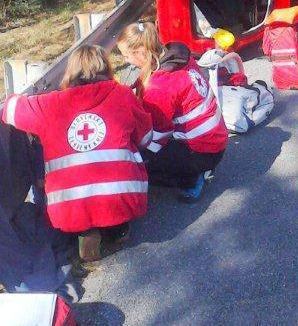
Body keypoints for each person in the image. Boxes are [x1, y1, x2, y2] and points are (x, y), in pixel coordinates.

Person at [1, 45, 153, 262]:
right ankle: (117, 230)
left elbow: (10, 109)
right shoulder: (122, 95)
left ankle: (85, 231)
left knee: (80, 208)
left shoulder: (50, 104)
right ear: (106, 68)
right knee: (120, 192)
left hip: (68, 207)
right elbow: (146, 138)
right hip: (121, 198)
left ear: (70, 72)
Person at [117, 22, 228, 204]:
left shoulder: (159, 87)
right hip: (215, 139)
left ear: (140, 52)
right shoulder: (178, 57)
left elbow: (157, 135)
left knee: (139, 167)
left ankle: (192, 177)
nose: (126, 61)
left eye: (126, 56)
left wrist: (133, 153)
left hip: (202, 151)